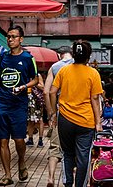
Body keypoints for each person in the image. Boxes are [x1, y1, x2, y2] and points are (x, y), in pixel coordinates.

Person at [0, 24, 41, 185]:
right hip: (2, 104)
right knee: (2, 140)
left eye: (13, 37)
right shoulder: (2, 57)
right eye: (8, 37)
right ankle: (7, 175)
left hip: (19, 105)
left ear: (21, 39)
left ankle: (21, 161)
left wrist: (24, 86)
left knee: (19, 140)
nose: (10, 39)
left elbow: (36, 79)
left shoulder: (27, 58)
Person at [51, 40, 104, 187]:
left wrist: (53, 113)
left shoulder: (63, 71)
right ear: (89, 56)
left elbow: (52, 92)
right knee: (83, 157)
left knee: (67, 154)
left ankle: (68, 183)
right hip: (86, 122)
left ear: (74, 54)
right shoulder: (93, 73)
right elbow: (95, 99)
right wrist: (98, 123)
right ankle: (79, 185)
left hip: (65, 120)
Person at [43, 45, 74, 187]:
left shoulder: (55, 67)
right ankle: (74, 178)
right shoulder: (80, 65)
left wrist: (51, 114)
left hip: (61, 112)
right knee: (77, 148)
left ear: (59, 55)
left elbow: (46, 91)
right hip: (80, 114)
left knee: (55, 147)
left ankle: (51, 178)